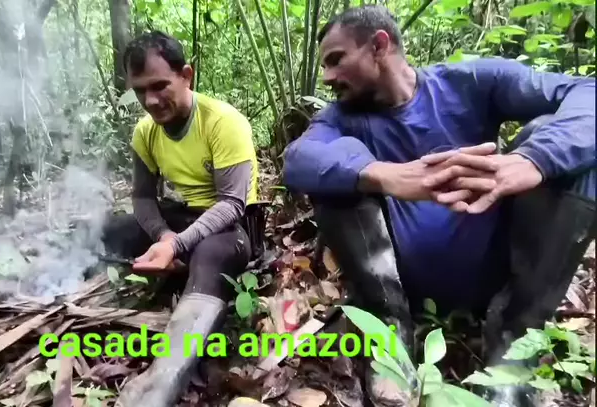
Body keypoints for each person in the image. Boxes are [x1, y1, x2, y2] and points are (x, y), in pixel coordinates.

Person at [282, 5, 595, 407]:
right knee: (335, 169)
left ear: (379, 46)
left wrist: (535, 159)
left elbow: (587, 94)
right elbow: (298, 160)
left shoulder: (470, 82)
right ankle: (390, 332)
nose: (327, 77)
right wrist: (381, 174)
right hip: (402, 285)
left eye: (336, 60)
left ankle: (515, 344)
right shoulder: (340, 119)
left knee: (573, 150)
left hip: (497, 273)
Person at [104, 31, 259, 407]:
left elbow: (232, 204)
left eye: (160, 86)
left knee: (211, 253)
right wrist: (163, 236)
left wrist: (176, 244)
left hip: (233, 226)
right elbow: (143, 197)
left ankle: (162, 381)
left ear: (186, 75)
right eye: (140, 90)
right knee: (110, 228)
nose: (151, 101)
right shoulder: (145, 133)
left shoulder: (222, 121)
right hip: (183, 218)